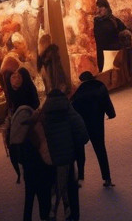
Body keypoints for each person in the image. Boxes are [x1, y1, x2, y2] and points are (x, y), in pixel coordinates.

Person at [39, 88, 87, 221]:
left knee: (56, 184)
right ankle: (69, 214)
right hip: (68, 157)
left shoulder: (43, 114)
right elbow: (83, 134)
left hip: (51, 159)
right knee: (69, 186)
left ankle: (53, 211)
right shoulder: (69, 111)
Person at [6, 103, 51, 221]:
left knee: (29, 199)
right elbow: (44, 152)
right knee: (43, 197)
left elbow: (19, 158)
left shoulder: (19, 138)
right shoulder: (35, 134)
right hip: (41, 172)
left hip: (29, 173)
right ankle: (45, 217)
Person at [71, 71, 115, 187]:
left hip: (82, 124)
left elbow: (73, 107)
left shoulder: (79, 90)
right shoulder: (100, 86)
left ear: (82, 79)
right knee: (100, 149)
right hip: (97, 122)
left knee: (80, 149)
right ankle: (107, 177)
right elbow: (107, 101)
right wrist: (111, 113)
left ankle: (80, 176)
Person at [91, 0, 128, 74]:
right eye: (98, 8)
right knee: (106, 75)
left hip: (114, 52)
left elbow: (125, 31)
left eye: (101, 7)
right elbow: (100, 37)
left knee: (116, 75)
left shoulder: (114, 20)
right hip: (103, 53)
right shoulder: (97, 21)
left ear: (106, 8)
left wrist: (124, 33)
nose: (99, 10)